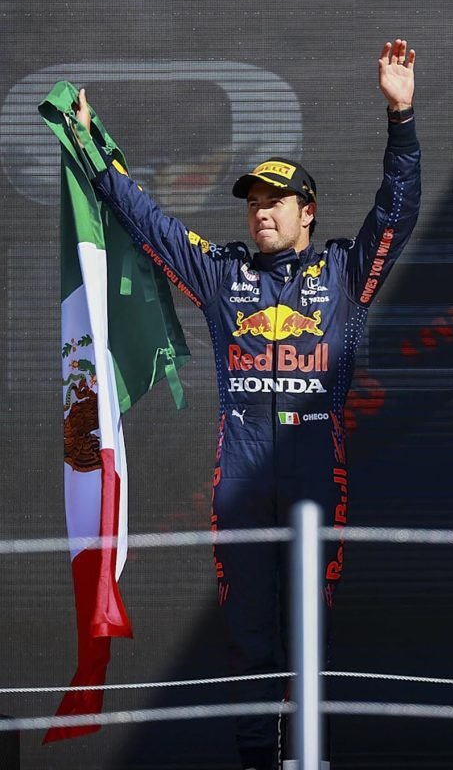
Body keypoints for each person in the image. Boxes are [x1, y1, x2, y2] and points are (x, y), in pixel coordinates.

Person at [75, 38, 420, 770]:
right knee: (247, 637)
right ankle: (256, 762)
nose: (260, 214)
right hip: (240, 477)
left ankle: (312, 756)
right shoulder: (222, 274)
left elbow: (395, 214)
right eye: (253, 203)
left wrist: (402, 120)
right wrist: (96, 155)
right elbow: (152, 225)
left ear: (307, 210)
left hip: (316, 477)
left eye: (275, 202)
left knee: (310, 635)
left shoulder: (345, 273)